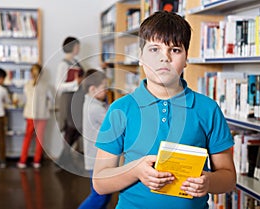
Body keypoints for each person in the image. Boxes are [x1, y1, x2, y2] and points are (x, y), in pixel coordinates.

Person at [92, 11, 236, 209]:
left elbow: (228, 177)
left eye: (175, 50)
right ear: (141, 57)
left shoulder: (208, 109)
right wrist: (135, 170)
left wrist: (209, 181)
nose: (165, 58)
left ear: (186, 59)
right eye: (154, 50)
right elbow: (99, 182)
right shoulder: (120, 109)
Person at [78, 69, 111, 209]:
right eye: (104, 88)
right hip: (97, 160)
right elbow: (113, 123)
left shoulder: (92, 101)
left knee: (103, 195)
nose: (107, 91)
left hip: (97, 158)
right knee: (99, 196)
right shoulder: (95, 108)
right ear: (93, 89)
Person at [17, 63, 52, 169]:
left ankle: (23, 161)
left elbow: (24, 99)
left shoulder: (28, 85)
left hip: (31, 115)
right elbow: (52, 99)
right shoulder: (46, 85)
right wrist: (48, 107)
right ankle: (37, 161)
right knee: (39, 139)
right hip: (41, 115)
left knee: (27, 138)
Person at [56, 37, 85, 166]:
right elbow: (59, 85)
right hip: (68, 98)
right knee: (70, 128)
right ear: (72, 47)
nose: (78, 49)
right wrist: (75, 83)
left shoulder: (76, 62)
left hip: (77, 98)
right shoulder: (63, 64)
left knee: (76, 128)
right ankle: (65, 158)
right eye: (77, 46)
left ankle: (64, 157)